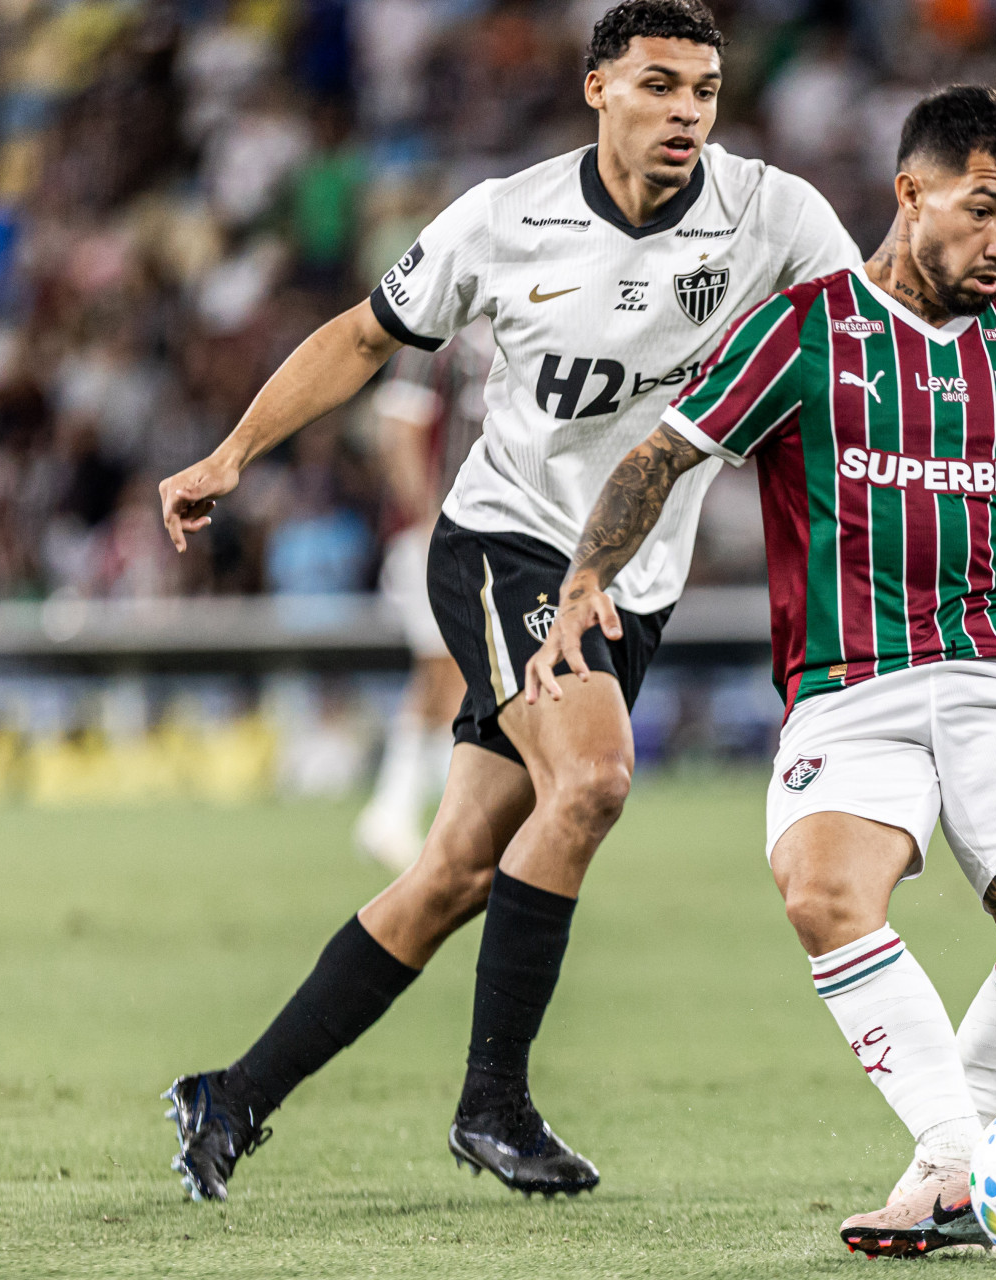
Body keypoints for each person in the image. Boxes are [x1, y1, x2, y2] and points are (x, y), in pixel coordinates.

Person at [154, 0, 860, 1202]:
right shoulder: (503, 218)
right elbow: (365, 337)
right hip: (506, 544)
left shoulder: (774, 213)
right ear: (597, 89)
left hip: (635, 581)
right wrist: (232, 453)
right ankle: (495, 1103)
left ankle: (233, 1093)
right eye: (657, 84)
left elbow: (870, 337)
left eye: (703, 87)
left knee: (454, 874)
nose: (686, 110)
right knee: (591, 779)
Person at [527, 85, 996, 1257]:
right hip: (851, 682)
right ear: (912, 194)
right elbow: (663, 455)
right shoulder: (803, 330)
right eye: (984, 208)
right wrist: (585, 578)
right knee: (822, 895)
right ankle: (964, 1165)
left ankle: (946, 1174)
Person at [351, 323, 487, 873]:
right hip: (434, 535)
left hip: (485, 535)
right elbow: (398, 431)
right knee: (443, 670)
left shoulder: (510, 330)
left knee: (454, 676)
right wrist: (428, 518)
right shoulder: (438, 340)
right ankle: (396, 812)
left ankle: (406, 812)